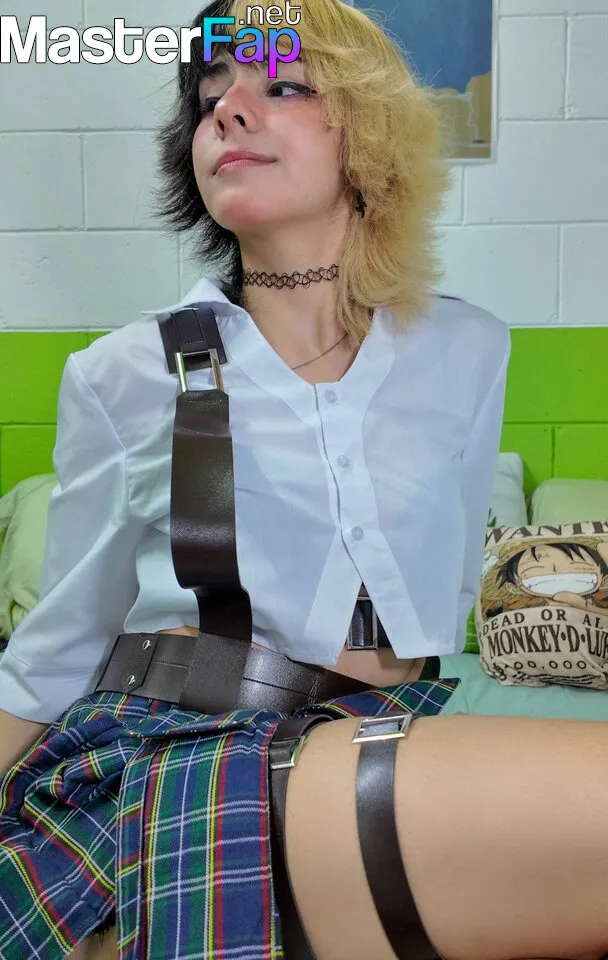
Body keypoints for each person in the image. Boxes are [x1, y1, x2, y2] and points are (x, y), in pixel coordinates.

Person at [0, 1, 607, 959]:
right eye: (209, 97)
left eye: (282, 85)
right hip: (180, 749)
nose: (228, 111)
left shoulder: (465, 349)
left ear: (369, 134)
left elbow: (440, 589)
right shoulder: (124, 374)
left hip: (387, 728)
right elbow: (58, 643)